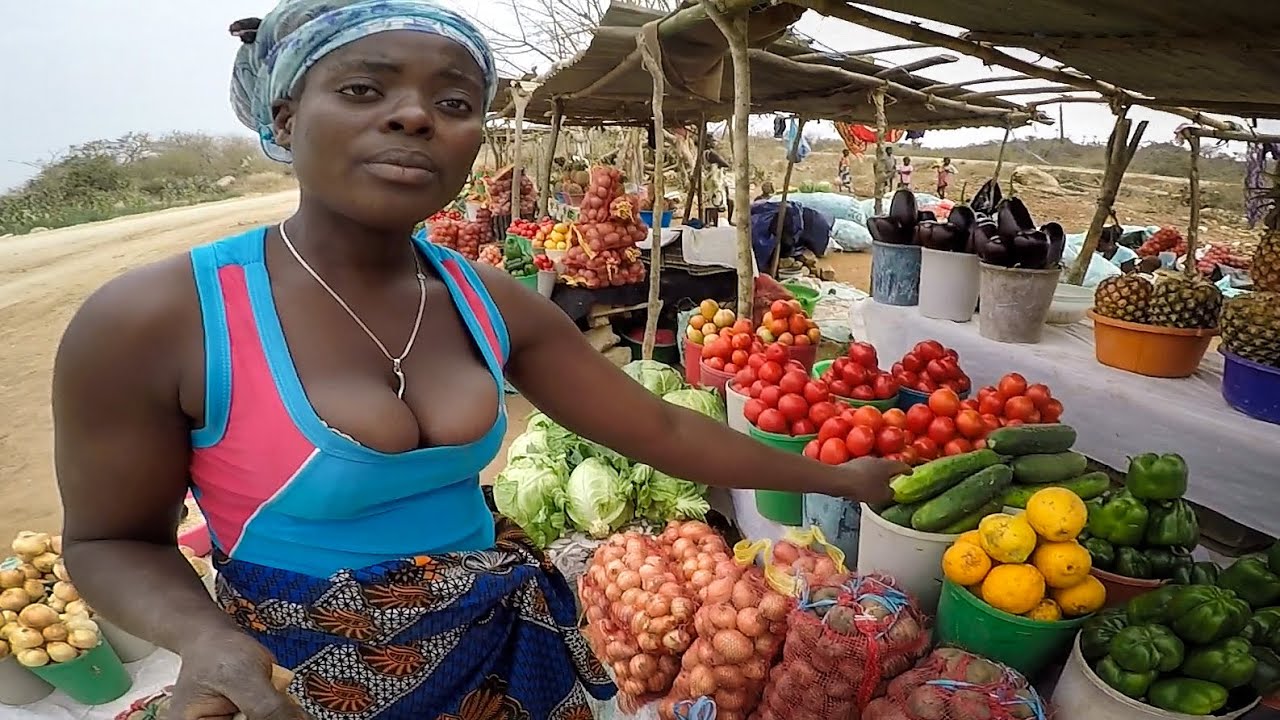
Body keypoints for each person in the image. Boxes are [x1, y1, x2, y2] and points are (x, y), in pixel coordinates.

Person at [50, 3, 909, 719]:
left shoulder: (485, 299)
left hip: (495, 656)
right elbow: (108, 540)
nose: (416, 117)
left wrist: (840, 478)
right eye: (362, 89)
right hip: (295, 679)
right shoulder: (157, 319)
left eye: (455, 101)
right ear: (284, 119)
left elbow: (658, 430)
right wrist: (205, 639)